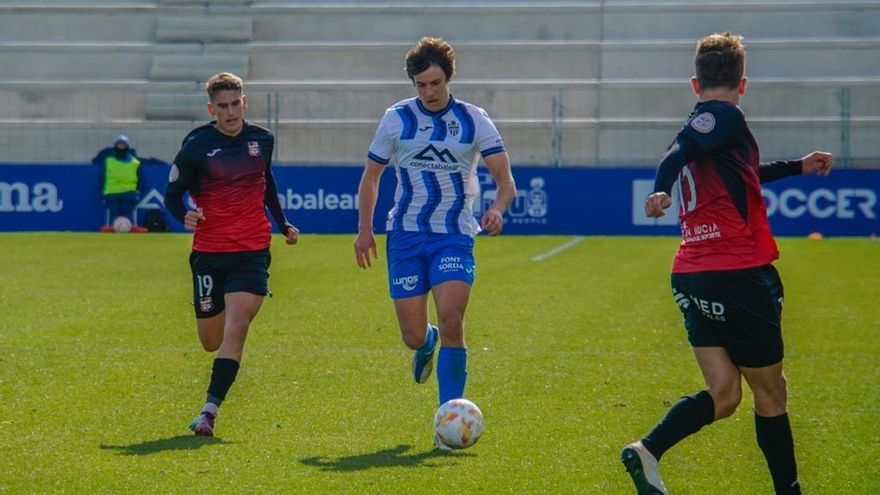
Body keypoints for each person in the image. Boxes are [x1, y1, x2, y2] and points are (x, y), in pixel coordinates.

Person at [620, 33, 832, 495]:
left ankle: (648, 450)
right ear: (744, 83)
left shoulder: (714, 130)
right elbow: (675, 153)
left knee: (725, 394)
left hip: (692, 273)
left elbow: (745, 175)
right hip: (735, 271)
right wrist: (662, 186)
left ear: (695, 83)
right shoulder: (724, 116)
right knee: (771, 393)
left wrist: (799, 166)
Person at [354, 37, 516, 448]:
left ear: (449, 78)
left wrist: (497, 207)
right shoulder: (396, 119)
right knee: (414, 335)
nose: (429, 91)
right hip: (406, 235)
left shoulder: (474, 119)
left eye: (436, 82)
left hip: (453, 235)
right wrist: (365, 229)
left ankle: (449, 420)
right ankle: (425, 344)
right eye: (421, 84)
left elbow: (505, 180)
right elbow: (371, 179)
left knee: (452, 319)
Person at [163, 72, 300, 436]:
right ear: (212, 108)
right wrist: (185, 214)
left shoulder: (262, 140)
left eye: (235, 103)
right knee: (211, 340)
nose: (230, 112)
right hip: (209, 251)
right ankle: (216, 384)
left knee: (237, 327)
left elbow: (266, 181)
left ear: (245, 102)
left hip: (252, 250)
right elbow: (172, 194)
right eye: (222, 106)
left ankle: (209, 411)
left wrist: (282, 222)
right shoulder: (196, 145)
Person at [93, 134, 149, 233]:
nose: (121, 148)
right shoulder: (108, 161)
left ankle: (131, 226)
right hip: (112, 192)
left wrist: (137, 191)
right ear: (115, 147)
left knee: (128, 212)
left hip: (130, 192)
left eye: (123, 145)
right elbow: (102, 178)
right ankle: (111, 227)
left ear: (127, 147)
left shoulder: (135, 162)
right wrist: (103, 193)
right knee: (113, 213)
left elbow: (140, 179)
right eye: (119, 145)